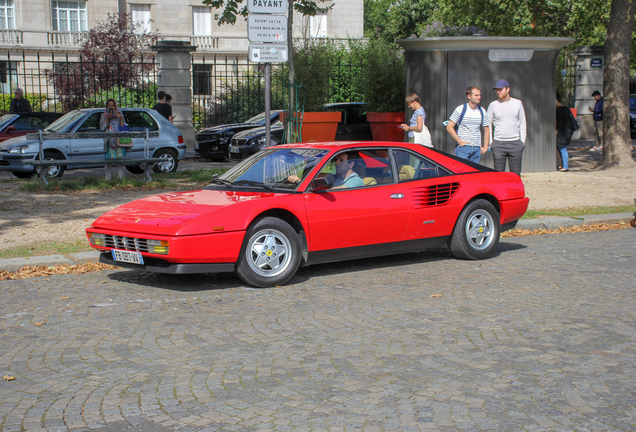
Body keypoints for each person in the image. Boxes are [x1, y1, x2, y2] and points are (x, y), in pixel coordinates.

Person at [487, 79, 527, 175]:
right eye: (497, 90)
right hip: (498, 143)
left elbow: (523, 121)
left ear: (508, 89)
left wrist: (522, 141)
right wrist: (490, 142)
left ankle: (515, 191)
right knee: (498, 175)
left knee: (516, 175)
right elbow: (488, 124)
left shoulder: (517, 103)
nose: (498, 92)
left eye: (501, 89)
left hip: (515, 143)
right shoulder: (493, 105)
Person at [446, 86, 490, 163]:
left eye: (479, 95)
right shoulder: (461, 109)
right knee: (462, 172)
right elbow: (449, 127)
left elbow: (486, 129)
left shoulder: (482, 110)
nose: (479, 97)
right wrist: (459, 141)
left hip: (477, 148)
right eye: (476, 95)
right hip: (463, 148)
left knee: (474, 173)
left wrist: (485, 146)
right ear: (469, 96)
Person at [287, 151, 364, 189]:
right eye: (336, 159)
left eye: (341, 160)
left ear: (351, 164)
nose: (336, 162)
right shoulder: (339, 178)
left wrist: (301, 182)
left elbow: (333, 191)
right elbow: (318, 177)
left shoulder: (355, 180)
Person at [100, 99, 126, 180]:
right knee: (108, 162)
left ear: (115, 106)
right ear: (107, 106)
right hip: (109, 141)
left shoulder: (119, 113)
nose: (111, 107)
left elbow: (123, 127)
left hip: (118, 140)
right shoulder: (103, 115)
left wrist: (120, 118)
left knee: (120, 161)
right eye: (109, 105)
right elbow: (102, 128)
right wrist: (107, 118)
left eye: (112, 105)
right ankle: (108, 179)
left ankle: (120, 178)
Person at [556, 93, 575, 172]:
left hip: (563, 132)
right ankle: (563, 164)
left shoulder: (560, 110)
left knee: (562, 148)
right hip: (568, 131)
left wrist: (556, 131)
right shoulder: (566, 109)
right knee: (561, 148)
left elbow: (559, 123)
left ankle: (565, 166)